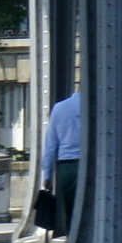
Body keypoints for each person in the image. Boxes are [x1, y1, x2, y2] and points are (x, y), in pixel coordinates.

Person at [43, 88, 84, 233]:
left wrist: (47, 175)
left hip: (65, 166)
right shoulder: (94, 107)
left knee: (69, 209)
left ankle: (70, 239)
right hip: (88, 165)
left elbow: (51, 145)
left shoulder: (59, 108)